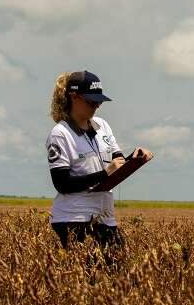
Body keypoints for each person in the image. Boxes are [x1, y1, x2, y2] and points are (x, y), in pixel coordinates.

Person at [46, 70, 153, 252]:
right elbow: (62, 184)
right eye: (91, 101)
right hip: (73, 218)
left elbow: (116, 161)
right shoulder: (60, 134)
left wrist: (134, 158)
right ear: (74, 97)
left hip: (104, 216)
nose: (97, 106)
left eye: (99, 101)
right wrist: (105, 173)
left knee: (117, 271)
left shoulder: (102, 125)